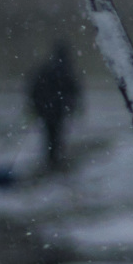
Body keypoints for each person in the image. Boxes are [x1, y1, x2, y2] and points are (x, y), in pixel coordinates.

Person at [26, 39, 82, 171]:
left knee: (49, 135)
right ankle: (55, 161)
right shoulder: (66, 70)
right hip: (58, 109)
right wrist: (72, 106)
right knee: (57, 134)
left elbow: (34, 88)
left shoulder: (46, 68)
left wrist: (35, 105)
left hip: (47, 109)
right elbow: (74, 90)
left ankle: (51, 160)